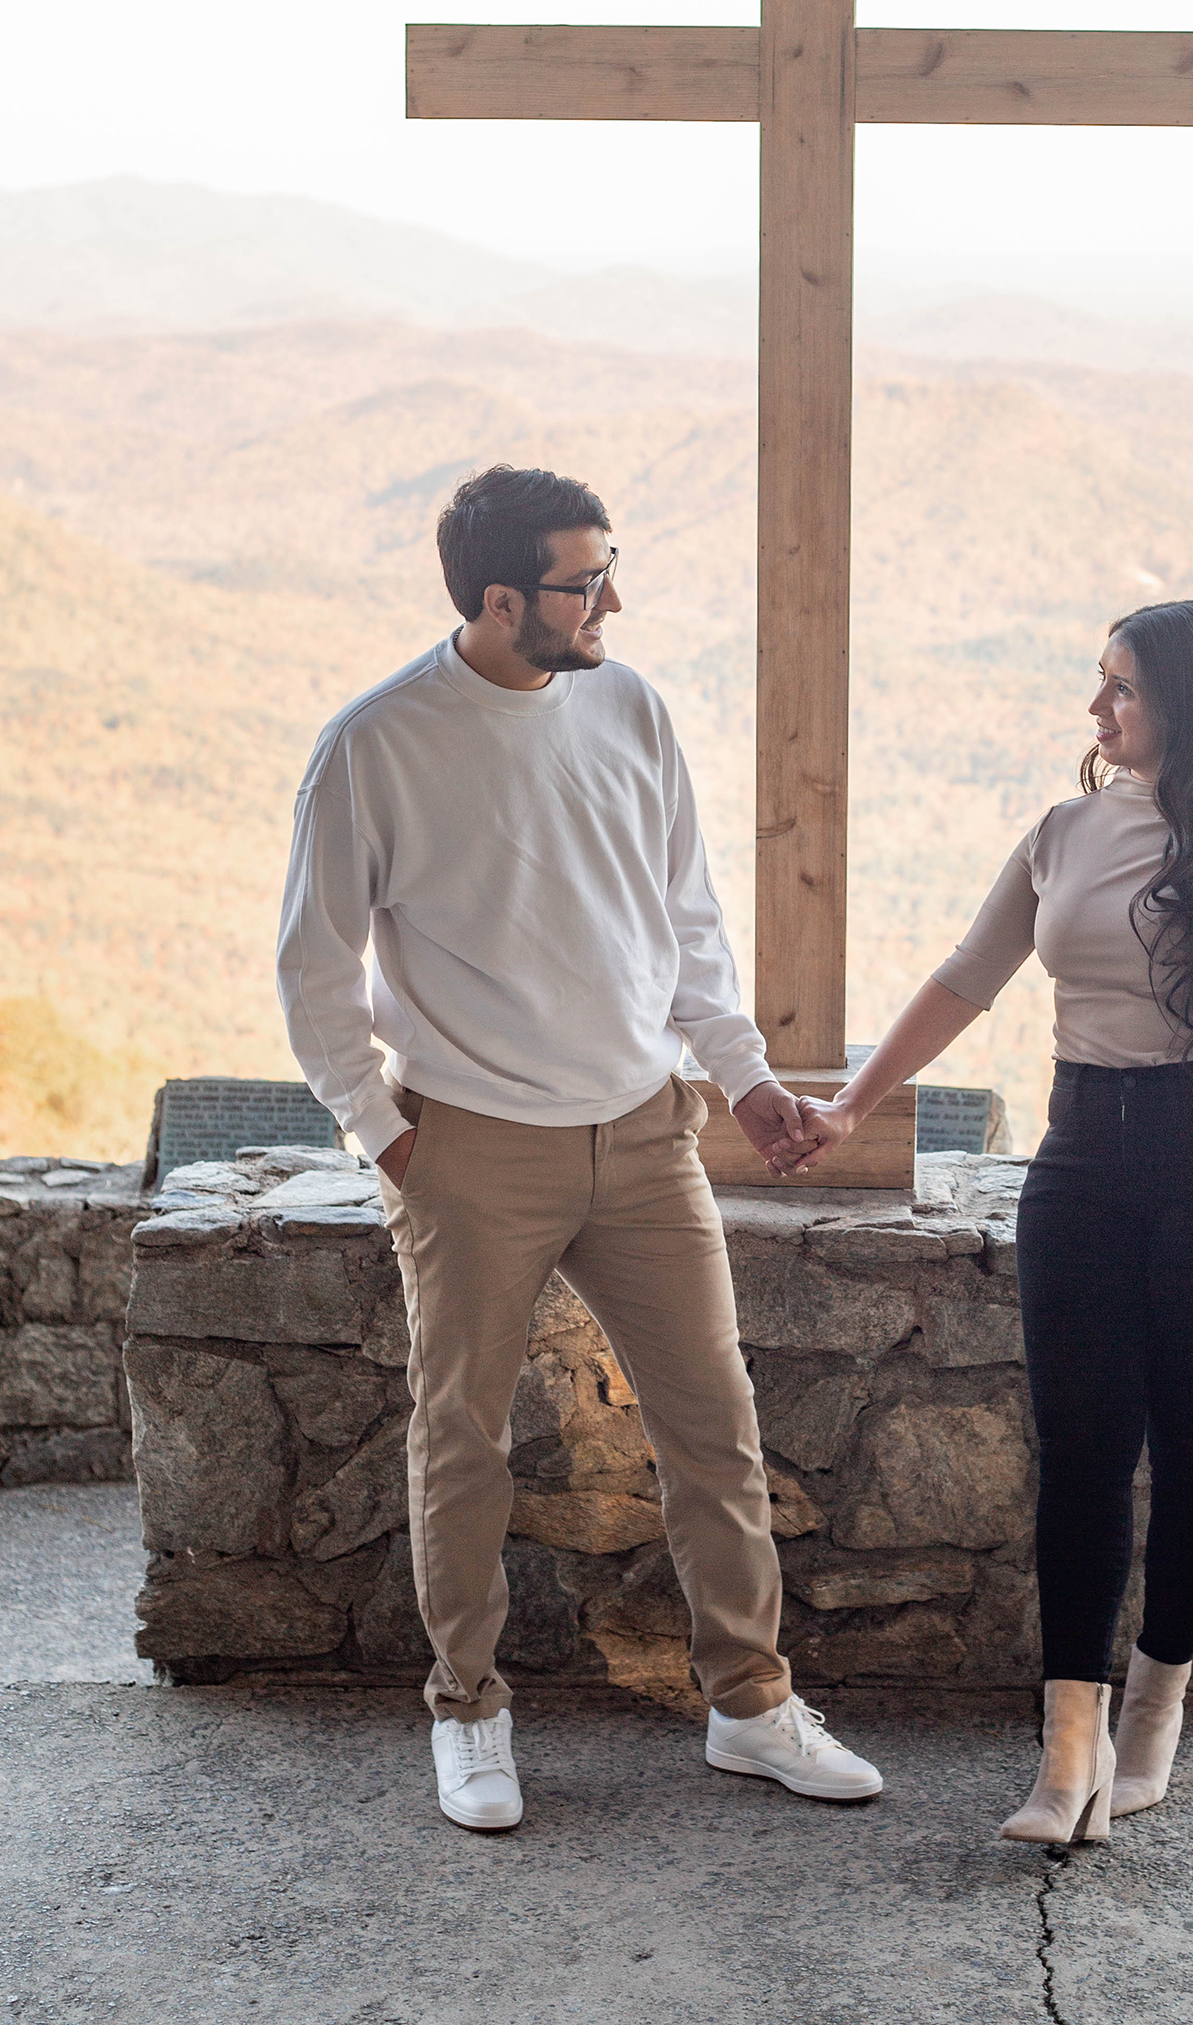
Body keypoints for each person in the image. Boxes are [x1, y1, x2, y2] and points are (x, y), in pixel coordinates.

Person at [277, 464, 881, 1831]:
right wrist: (388, 1139)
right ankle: (470, 1713)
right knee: (462, 1442)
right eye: (584, 578)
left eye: (611, 564)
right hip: (472, 1150)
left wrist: (740, 1080)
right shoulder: (375, 744)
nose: (615, 596)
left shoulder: (631, 705)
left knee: (715, 1429)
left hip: (647, 1136)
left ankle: (750, 1706)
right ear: (501, 600)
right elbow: (313, 971)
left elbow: (687, 921)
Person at [790, 598, 1193, 1844]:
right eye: (1100, 685)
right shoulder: (1063, 833)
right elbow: (966, 979)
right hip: (1080, 1165)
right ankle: (1063, 1755)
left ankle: (1154, 1713)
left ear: (1183, 704)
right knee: (1080, 1453)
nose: (1096, 711)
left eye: (1120, 689)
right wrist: (849, 1103)